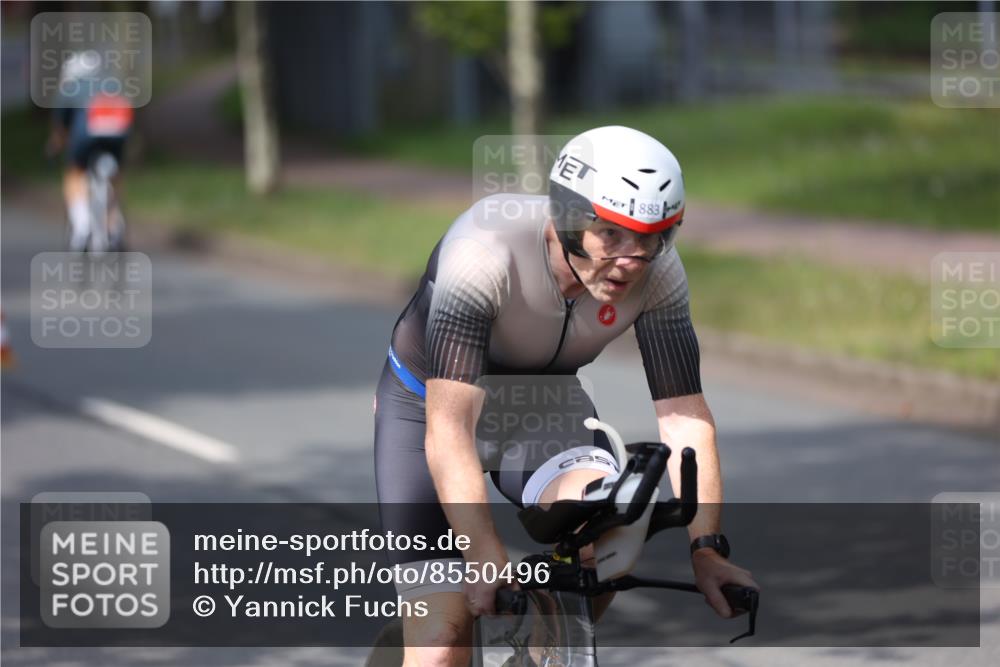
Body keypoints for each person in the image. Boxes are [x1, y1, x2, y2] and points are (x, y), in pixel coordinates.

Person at [374, 126, 759, 666]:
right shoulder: (483, 252)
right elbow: (449, 429)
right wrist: (483, 554)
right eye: (612, 234)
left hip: (545, 406)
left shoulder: (660, 274)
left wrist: (707, 549)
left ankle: (540, 653)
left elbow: (683, 417)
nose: (631, 259)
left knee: (612, 533)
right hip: (427, 412)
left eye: (652, 237)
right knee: (441, 639)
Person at [45, 50, 133, 252]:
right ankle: (114, 225)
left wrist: (55, 147)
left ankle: (82, 226)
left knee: (75, 174)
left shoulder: (69, 89)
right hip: (118, 136)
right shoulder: (114, 85)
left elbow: (61, 129)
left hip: (85, 137)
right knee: (116, 176)